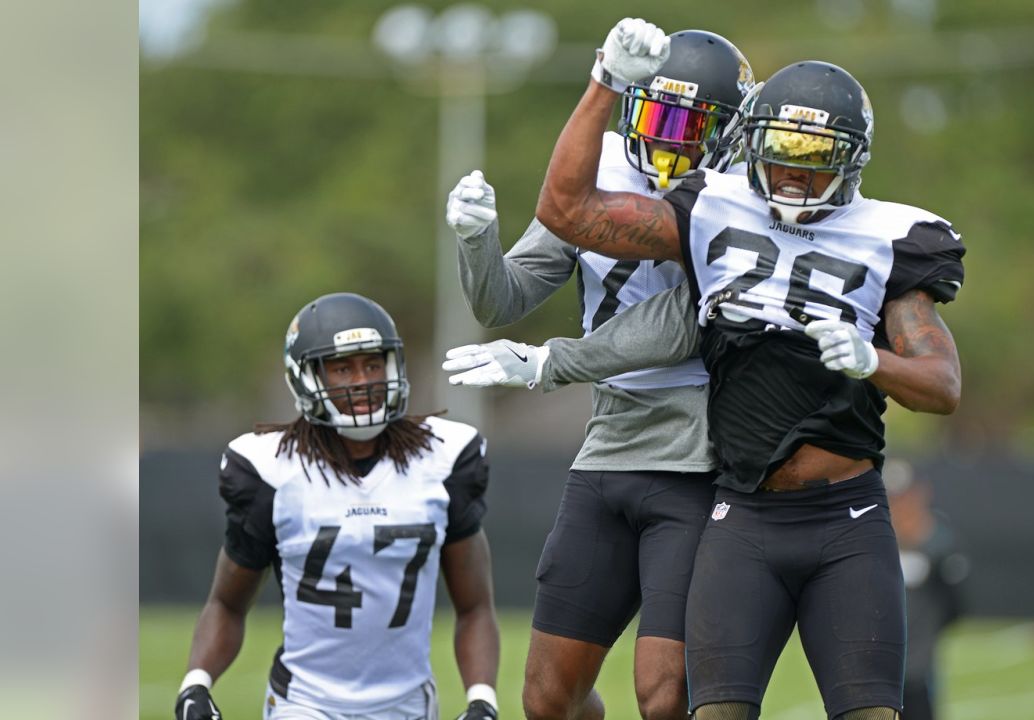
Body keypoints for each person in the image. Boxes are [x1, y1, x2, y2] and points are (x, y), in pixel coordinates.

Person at [525, 17, 968, 720]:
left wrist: (873, 359)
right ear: (750, 145)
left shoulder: (893, 239)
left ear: (853, 161)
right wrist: (605, 81)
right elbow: (568, 211)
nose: (793, 168)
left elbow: (943, 385)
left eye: (814, 153)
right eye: (781, 148)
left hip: (847, 515)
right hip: (743, 510)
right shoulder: (710, 207)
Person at [440, 28, 755, 720]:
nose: (668, 141)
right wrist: (474, 241)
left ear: (731, 132)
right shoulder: (603, 166)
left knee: (665, 694)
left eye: (688, 126)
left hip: (701, 451)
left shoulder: (740, 194)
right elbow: (504, 297)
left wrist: (552, 362)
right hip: (610, 444)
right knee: (551, 698)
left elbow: (679, 325)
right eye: (655, 117)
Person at [175, 292, 501, 720]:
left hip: (407, 706)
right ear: (305, 377)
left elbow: (475, 605)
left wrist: (482, 700)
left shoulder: (443, 460)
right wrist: (195, 685)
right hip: (304, 703)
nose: (363, 381)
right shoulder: (271, 471)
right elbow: (227, 604)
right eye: (342, 368)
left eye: (372, 364)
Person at [883, 461, 968, 720]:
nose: (900, 506)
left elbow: (955, 604)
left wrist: (929, 633)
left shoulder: (938, 542)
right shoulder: (873, 541)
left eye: (905, 497)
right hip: (876, 667)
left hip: (919, 664)